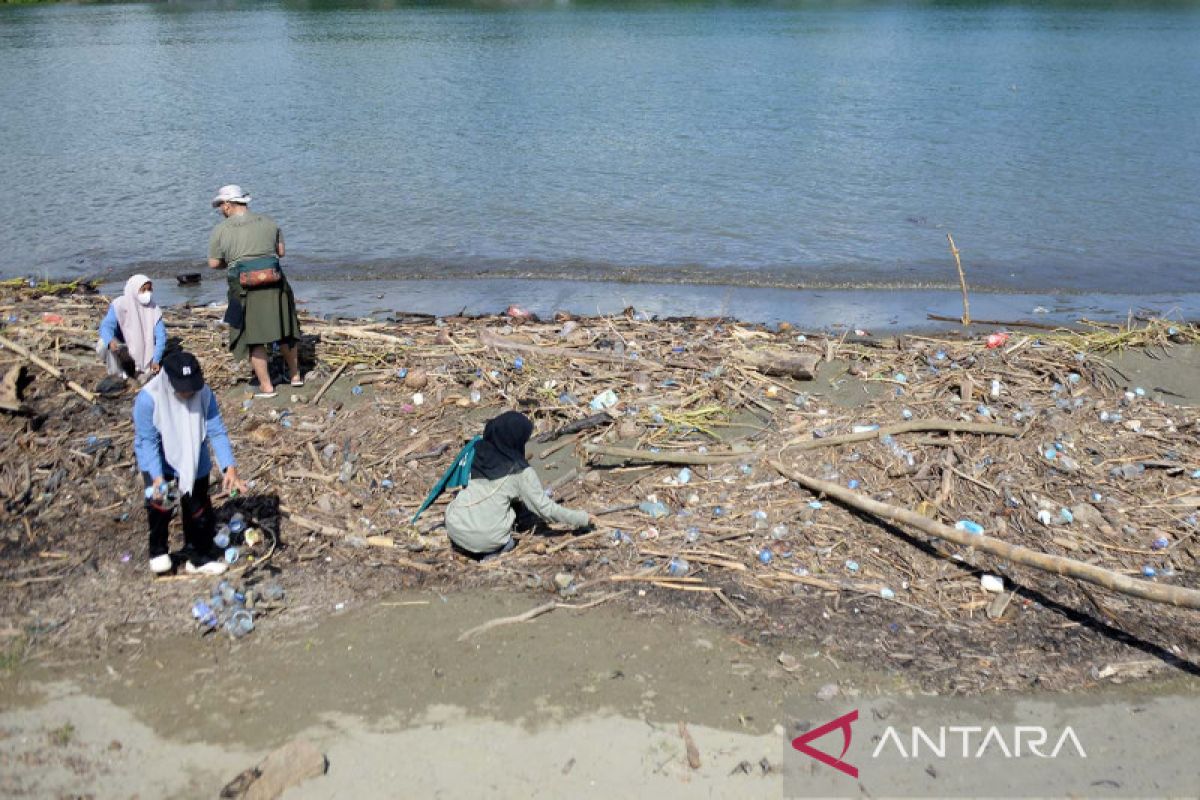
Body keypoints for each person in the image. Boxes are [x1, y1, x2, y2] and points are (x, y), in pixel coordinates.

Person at [133, 350, 247, 576]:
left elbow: (216, 430)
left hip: (195, 456)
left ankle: (198, 556)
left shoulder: (204, 394)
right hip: (160, 460)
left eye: (191, 386)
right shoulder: (148, 399)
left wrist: (229, 467)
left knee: (199, 510)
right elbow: (148, 441)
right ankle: (158, 551)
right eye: (182, 387)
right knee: (161, 506)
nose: (187, 392)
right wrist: (157, 477)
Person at [445, 411, 595, 559]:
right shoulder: (520, 472)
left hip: (455, 527)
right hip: (486, 539)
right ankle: (492, 554)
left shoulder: (478, 451)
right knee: (509, 537)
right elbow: (546, 509)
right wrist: (582, 518)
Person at [207, 184, 302, 398]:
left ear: (229, 205)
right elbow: (281, 252)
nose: (221, 210)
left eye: (221, 205)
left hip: (244, 289)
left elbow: (214, 263)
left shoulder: (221, 230)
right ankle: (295, 376)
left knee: (253, 338)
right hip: (275, 285)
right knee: (286, 330)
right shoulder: (269, 223)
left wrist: (230, 262)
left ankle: (267, 387)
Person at [96, 274, 166, 382]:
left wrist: (156, 359)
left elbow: (161, 336)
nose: (147, 293)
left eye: (149, 289)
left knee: (147, 374)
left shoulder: (153, 309)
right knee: (103, 344)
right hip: (122, 346)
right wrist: (109, 341)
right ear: (134, 290)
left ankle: (138, 369)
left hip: (144, 347)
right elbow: (106, 326)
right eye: (143, 290)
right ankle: (117, 374)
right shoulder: (119, 305)